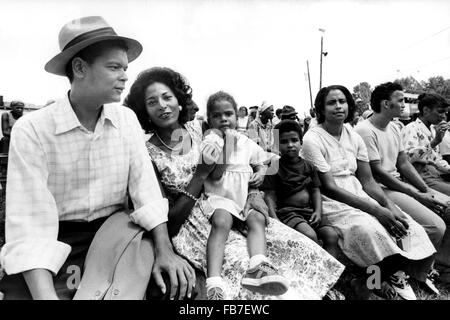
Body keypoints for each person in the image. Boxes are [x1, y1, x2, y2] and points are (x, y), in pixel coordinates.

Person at [0, 16, 195, 300]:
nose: (125, 76)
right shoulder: (32, 130)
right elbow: (30, 227)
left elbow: (147, 193)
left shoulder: (126, 120)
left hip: (116, 235)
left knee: (172, 288)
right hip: (55, 241)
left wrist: (165, 251)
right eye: (114, 67)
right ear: (79, 68)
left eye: (125, 68)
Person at [125, 66, 345, 300]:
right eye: (152, 102)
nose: (162, 105)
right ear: (145, 112)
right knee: (245, 271)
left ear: (179, 101)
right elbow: (166, 222)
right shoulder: (147, 153)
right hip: (197, 227)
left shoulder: (202, 129)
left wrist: (254, 188)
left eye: (167, 97)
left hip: (236, 206)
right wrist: (200, 176)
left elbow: (244, 159)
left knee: (292, 245)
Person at [301, 85, 436, 300]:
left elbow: (367, 180)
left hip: (357, 192)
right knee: (374, 232)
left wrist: (389, 206)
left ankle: (371, 281)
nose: (338, 106)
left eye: (342, 101)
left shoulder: (353, 137)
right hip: (330, 199)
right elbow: (329, 187)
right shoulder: (312, 139)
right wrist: (376, 210)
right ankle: (369, 286)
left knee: (409, 228)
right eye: (331, 103)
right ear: (321, 108)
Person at [355, 82, 449, 291]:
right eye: (401, 100)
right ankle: (406, 271)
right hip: (381, 188)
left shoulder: (395, 126)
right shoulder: (364, 130)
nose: (405, 105)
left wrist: (424, 190)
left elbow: (404, 163)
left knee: (447, 208)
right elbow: (377, 174)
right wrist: (417, 193)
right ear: (386, 103)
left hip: (398, 183)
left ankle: (433, 268)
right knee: (435, 225)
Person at [202, 91, 289, 299]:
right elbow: (214, 175)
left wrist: (259, 173)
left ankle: (258, 264)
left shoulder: (246, 141)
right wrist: (227, 146)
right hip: (220, 196)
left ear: (236, 116)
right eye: (217, 115)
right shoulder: (210, 142)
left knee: (257, 217)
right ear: (209, 120)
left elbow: (261, 160)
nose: (224, 119)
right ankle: (213, 282)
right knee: (221, 222)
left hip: (243, 198)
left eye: (228, 114)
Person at [262, 120, 339, 257]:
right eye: (284, 142)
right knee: (310, 235)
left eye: (294, 140)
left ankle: (334, 274)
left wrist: (318, 212)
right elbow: (269, 195)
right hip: (289, 213)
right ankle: (317, 271)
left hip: (309, 211)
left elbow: (315, 190)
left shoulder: (309, 166)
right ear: (277, 145)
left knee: (331, 236)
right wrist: (275, 220)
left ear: (301, 142)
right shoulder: (273, 167)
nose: (290, 145)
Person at [401, 93, 450, 196]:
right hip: (419, 176)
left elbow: (436, 159)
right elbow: (407, 158)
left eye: (445, 113)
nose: (443, 116)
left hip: (434, 175)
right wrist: (434, 142)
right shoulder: (411, 128)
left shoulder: (433, 129)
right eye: (440, 112)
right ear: (426, 110)